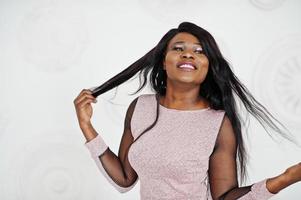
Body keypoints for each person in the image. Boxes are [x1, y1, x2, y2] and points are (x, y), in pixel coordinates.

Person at [73, 22, 301, 199]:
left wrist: (285, 179)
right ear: (163, 61)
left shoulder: (218, 122)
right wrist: (87, 127)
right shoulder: (140, 107)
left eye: (200, 51)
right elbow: (124, 179)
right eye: (178, 48)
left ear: (208, 66)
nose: (188, 54)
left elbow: (224, 197)